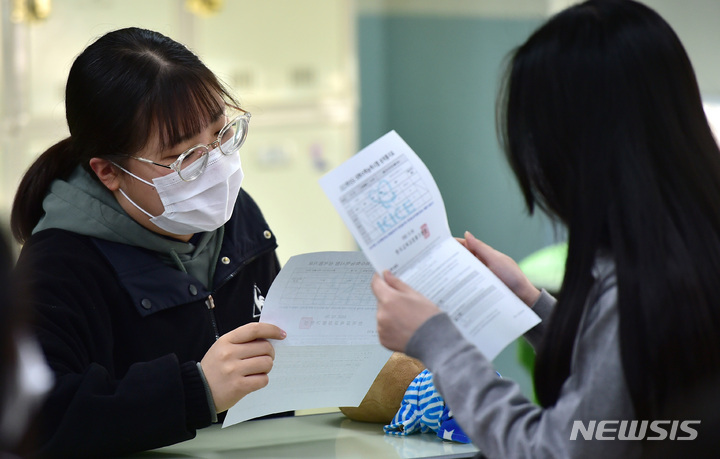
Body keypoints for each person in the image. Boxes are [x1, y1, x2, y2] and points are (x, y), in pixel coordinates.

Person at [371, 0, 720, 457]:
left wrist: (438, 343)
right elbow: (624, 378)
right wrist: (528, 303)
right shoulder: (693, 246)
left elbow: (554, 450)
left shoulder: (639, 290)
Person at [10, 27, 286, 457]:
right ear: (109, 172)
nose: (215, 167)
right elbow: (40, 419)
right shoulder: (59, 264)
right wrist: (197, 391)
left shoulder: (235, 213)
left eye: (220, 135)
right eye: (182, 157)